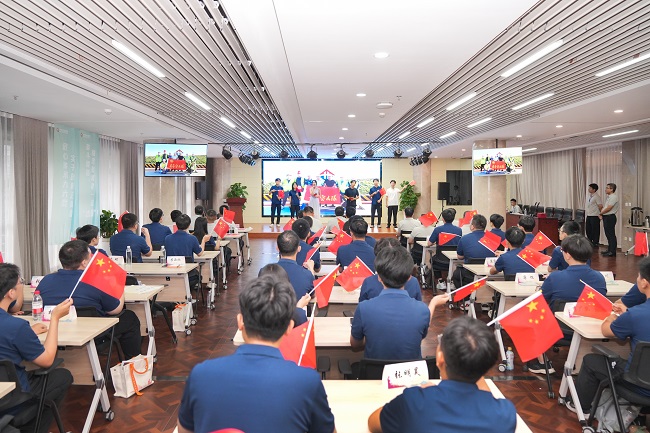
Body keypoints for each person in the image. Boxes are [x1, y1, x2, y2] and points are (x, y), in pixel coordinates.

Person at [177, 276, 335, 433]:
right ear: (289, 327)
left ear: (240, 322)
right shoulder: (307, 382)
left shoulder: (200, 375)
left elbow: (184, 430)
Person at [368, 316, 517, 433]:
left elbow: (373, 423)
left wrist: (426, 394)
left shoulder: (413, 401)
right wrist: (476, 363)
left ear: (440, 357)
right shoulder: (505, 414)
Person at [0, 263, 74, 433]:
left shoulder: (16, 328)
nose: (22, 284)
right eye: (20, 282)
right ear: (11, 293)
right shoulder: (16, 326)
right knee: (62, 376)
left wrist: (28, 332)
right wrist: (54, 318)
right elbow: (47, 360)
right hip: (12, 398)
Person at [38, 240, 143, 359]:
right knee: (130, 318)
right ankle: (134, 362)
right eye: (90, 256)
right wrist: (119, 286)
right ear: (84, 262)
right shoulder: (96, 281)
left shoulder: (45, 280)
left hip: (53, 334)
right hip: (94, 334)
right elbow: (115, 310)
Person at [572, 257, 650, 416]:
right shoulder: (634, 314)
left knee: (590, 361)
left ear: (644, 283)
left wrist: (613, 316)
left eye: (638, 275)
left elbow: (606, 330)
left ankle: (581, 408)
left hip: (640, 385)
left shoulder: (636, 315)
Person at [350, 245, 448, 360]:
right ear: (409, 277)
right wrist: (433, 303)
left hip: (375, 371)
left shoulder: (364, 308)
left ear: (379, 277)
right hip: (411, 371)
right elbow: (419, 336)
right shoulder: (422, 310)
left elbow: (355, 345)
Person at [528, 235, 606, 375]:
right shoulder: (599, 278)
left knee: (531, 314)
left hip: (559, 329)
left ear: (568, 255)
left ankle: (542, 363)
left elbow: (539, 300)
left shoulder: (555, 277)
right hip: (589, 327)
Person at [452, 214, 495, 290]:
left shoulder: (464, 238)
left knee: (456, 274)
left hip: (470, 274)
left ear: (472, 226)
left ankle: (466, 295)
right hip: (489, 273)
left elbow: (459, 256)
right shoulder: (493, 238)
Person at [275, 230, 315, 300]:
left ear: (277, 248)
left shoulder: (265, 271)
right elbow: (312, 294)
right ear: (299, 249)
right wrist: (311, 269)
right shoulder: (307, 274)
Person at [428, 208, 462, 286]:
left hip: (440, 260)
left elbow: (429, 243)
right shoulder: (459, 230)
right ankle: (452, 281)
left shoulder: (438, 229)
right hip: (454, 260)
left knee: (431, 260)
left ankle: (441, 280)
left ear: (443, 218)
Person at [600, 182, 619, 257]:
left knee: (611, 235)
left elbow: (609, 208)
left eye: (607, 188)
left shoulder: (613, 197)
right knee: (608, 234)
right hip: (607, 217)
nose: (605, 189)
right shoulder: (609, 197)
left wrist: (601, 213)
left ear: (612, 189)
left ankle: (612, 251)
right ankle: (609, 249)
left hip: (610, 217)